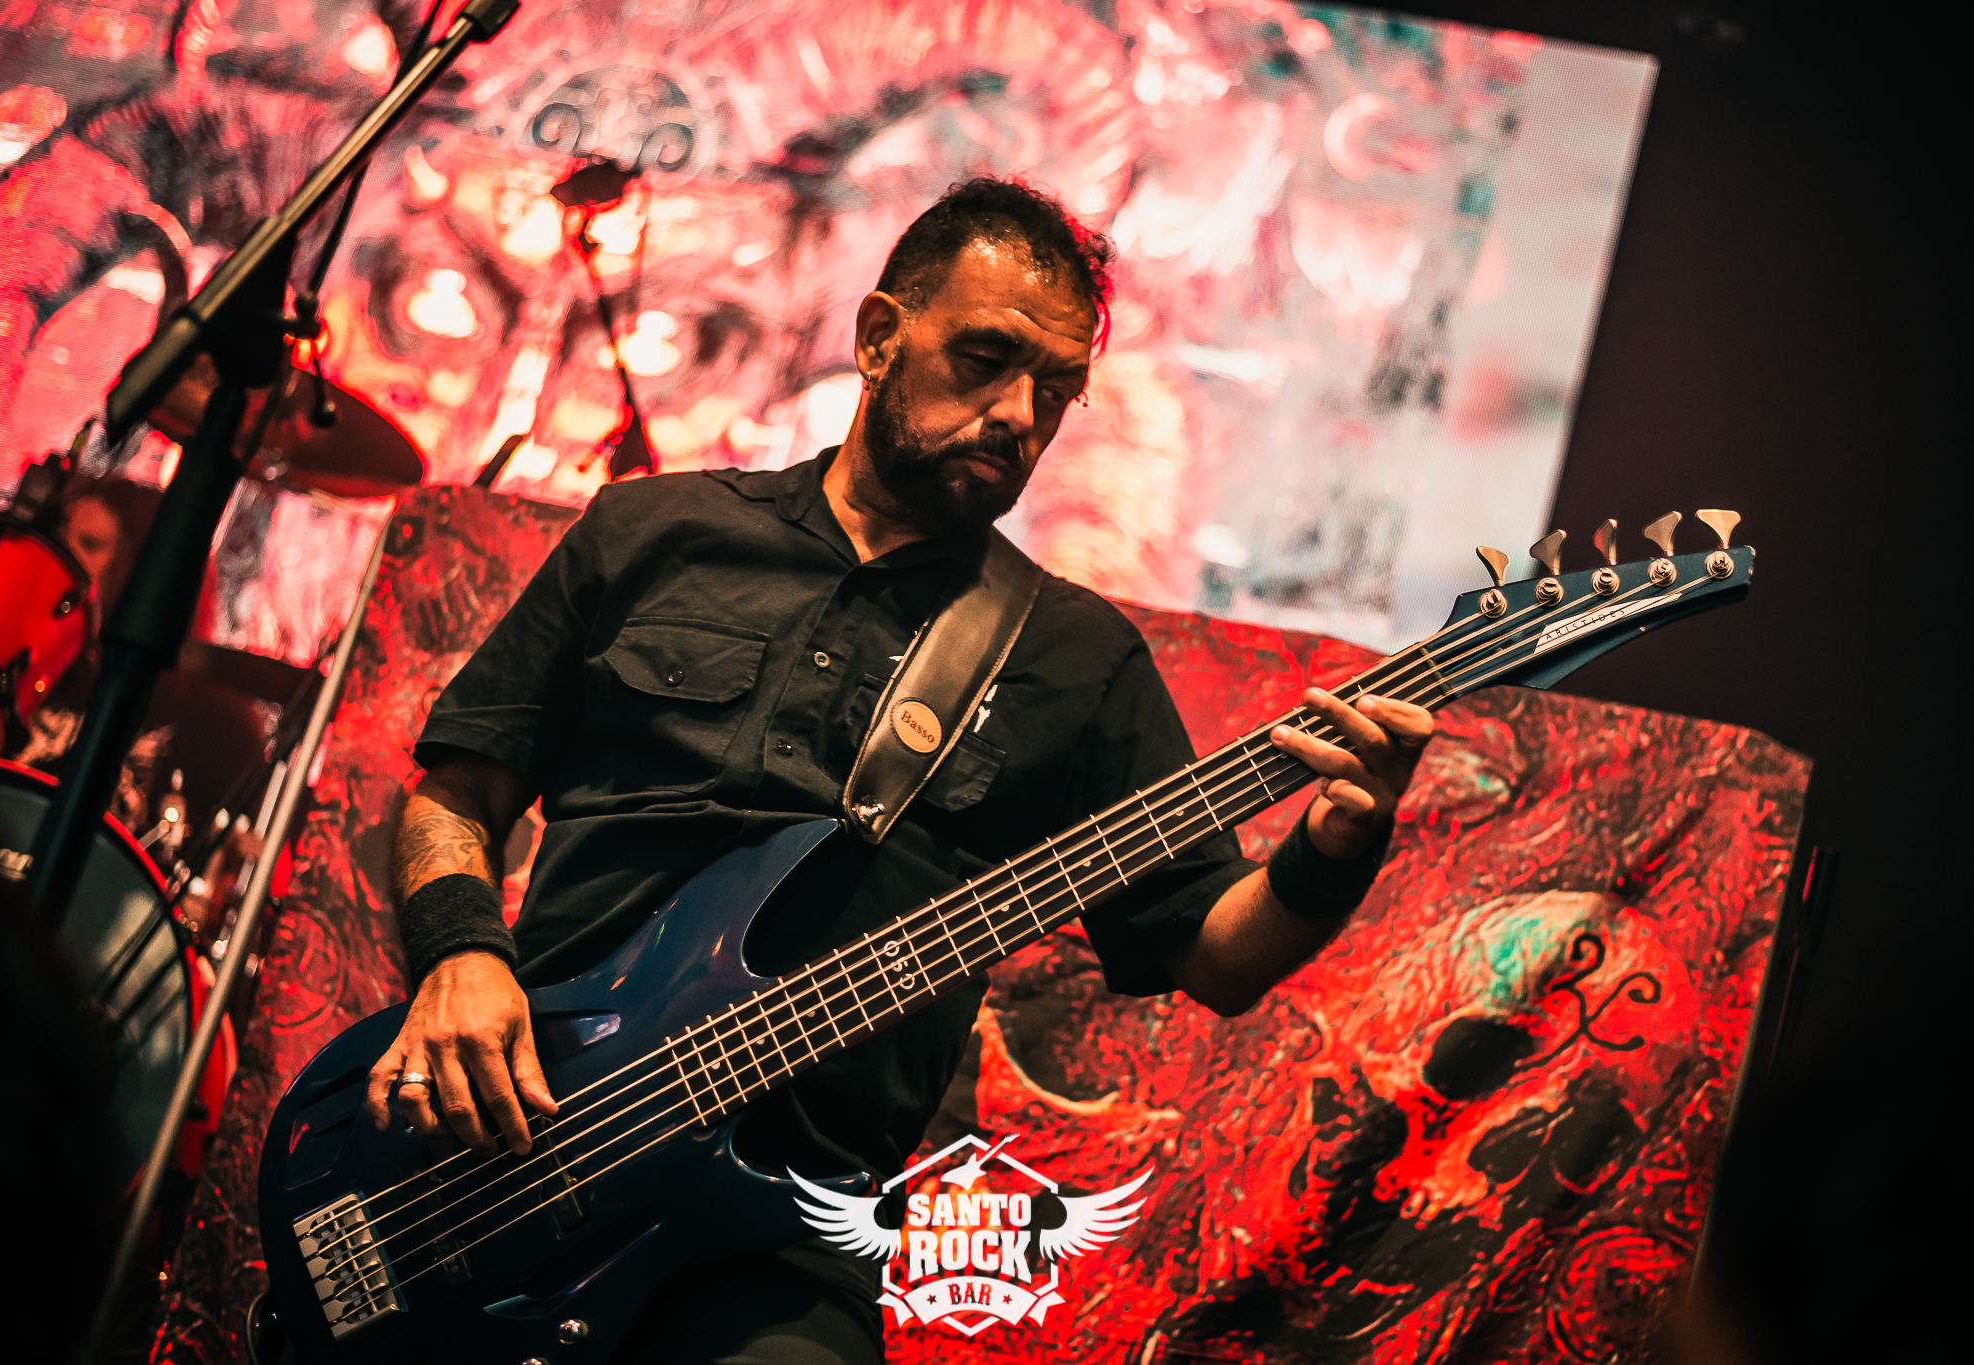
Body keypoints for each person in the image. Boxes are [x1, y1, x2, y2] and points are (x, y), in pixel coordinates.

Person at [364, 178, 1436, 1364]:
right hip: (500, 1147)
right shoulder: (649, 532)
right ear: (878, 336)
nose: (1017, 413)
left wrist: (1336, 845)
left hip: (779, 1244)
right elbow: (457, 793)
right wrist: (460, 957)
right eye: (984, 359)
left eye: (1054, 389)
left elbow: (1215, 955)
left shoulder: (1074, 658)